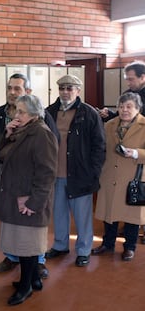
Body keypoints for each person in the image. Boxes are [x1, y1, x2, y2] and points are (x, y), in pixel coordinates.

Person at [0, 94, 58, 306]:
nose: (16, 115)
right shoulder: (20, 131)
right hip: (14, 196)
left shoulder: (41, 134)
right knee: (23, 243)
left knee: (27, 246)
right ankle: (34, 279)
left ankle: (25, 287)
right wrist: (6, 135)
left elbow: (47, 174)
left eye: (21, 112)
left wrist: (34, 203)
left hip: (28, 200)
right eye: (16, 111)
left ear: (34, 114)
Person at [45, 74, 106, 267]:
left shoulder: (88, 113)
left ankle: (84, 250)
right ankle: (60, 245)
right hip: (55, 175)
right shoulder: (49, 112)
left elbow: (99, 145)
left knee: (82, 216)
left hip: (80, 175)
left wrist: (93, 173)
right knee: (59, 213)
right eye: (62, 88)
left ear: (78, 90)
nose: (65, 92)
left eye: (69, 88)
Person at [93, 92, 145, 261]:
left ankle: (129, 247)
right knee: (110, 211)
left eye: (129, 106)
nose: (124, 110)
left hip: (133, 176)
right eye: (121, 106)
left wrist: (136, 153)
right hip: (110, 175)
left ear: (137, 108)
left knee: (131, 215)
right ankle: (107, 243)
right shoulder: (109, 125)